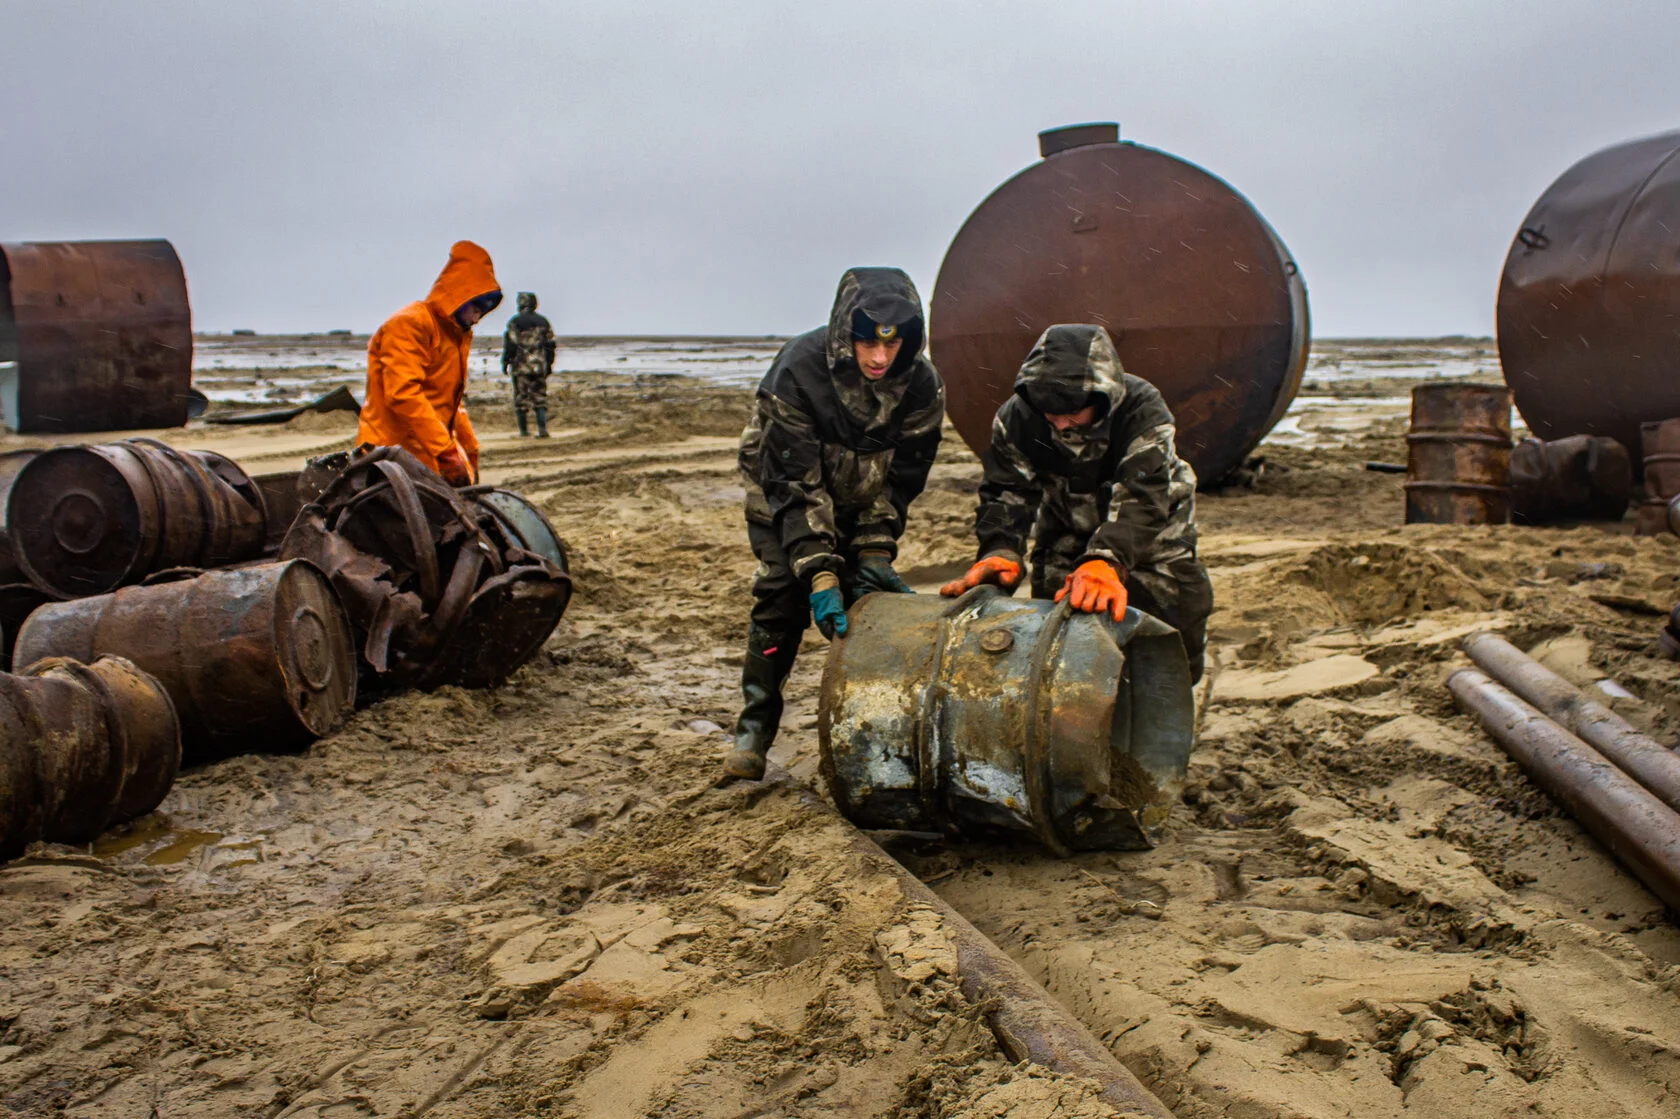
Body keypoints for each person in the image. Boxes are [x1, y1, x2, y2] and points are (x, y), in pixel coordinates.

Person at [723, 267, 945, 781]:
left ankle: (870, 734)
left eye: (893, 346)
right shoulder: (799, 369)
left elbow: (900, 482)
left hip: (859, 502)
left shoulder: (922, 386)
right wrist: (820, 572)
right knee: (783, 593)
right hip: (782, 497)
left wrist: (873, 550)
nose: (879, 358)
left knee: (867, 602)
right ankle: (753, 730)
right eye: (867, 342)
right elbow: (794, 484)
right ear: (846, 332)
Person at [940, 323, 1212, 681]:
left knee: (1173, 634)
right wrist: (1000, 548)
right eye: (1049, 412)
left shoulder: (1140, 408)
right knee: (1057, 639)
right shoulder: (1018, 417)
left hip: (1153, 535)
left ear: (1102, 397)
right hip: (1066, 529)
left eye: (1072, 412)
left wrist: (1106, 561)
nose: (1061, 424)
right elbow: (1007, 491)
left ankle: (1162, 715)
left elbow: (1143, 497)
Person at [356, 240, 502, 486]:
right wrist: (445, 450)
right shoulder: (410, 324)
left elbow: (448, 400)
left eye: (486, 308)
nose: (479, 316)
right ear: (461, 296)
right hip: (391, 456)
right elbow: (403, 394)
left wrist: (468, 446)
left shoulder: (455, 335)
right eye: (477, 306)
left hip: (425, 453)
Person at [502, 291, 556, 438]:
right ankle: (542, 430)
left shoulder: (515, 322)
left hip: (521, 366)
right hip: (539, 365)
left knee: (521, 399)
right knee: (540, 398)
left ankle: (524, 431)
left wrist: (505, 361)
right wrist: (549, 363)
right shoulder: (544, 322)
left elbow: (510, 344)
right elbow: (551, 344)